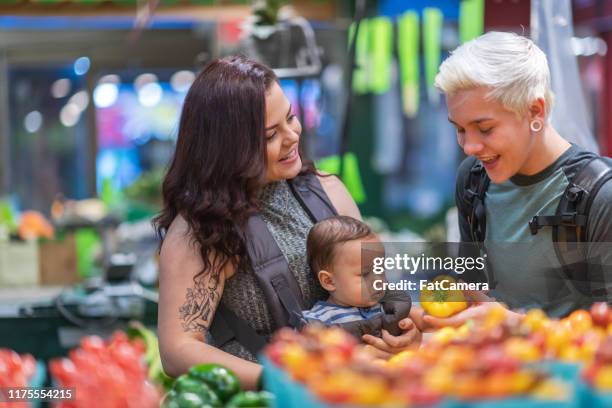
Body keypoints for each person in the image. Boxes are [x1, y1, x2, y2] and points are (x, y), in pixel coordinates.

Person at [155, 56, 421, 390]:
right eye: (270, 135)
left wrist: (404, 334)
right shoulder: (201, 230)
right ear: (228, 148)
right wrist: (282, 380)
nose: (292, 136)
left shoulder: (328, 191)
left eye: (291, 118)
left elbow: (375, 282)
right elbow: (178, 351)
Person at [422, 31, 612, 329]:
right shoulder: (473, 181)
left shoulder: (602, 196)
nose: (469, 147)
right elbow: (472, 291)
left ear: (535, 111)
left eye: (484, 129)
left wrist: (510, 323)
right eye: (459, 129)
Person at [302, 216, 412, 341]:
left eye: (380, 269)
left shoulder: (385, 306)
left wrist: (408, 327)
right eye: (365, 274)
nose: (378, 281)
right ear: (329, 281)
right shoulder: (318, 321)